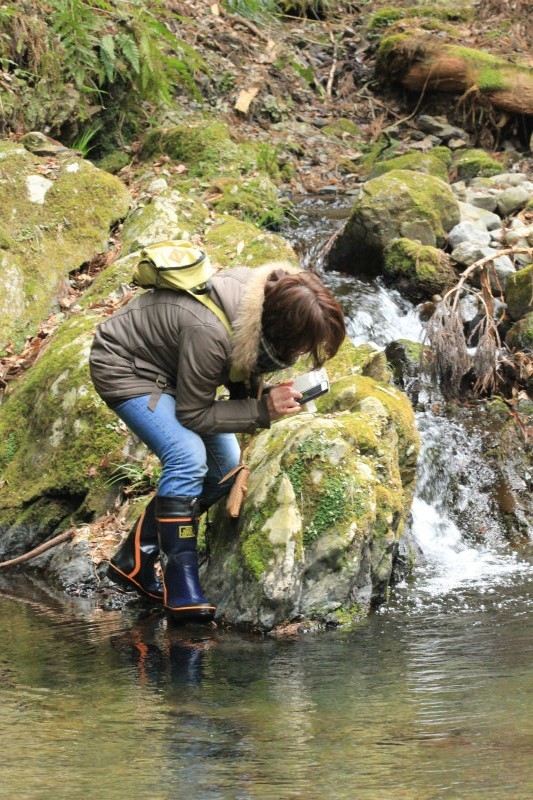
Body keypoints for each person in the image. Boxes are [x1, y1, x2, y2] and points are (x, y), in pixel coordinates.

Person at [89, 257, 346, 623]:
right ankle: (181, 587)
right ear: (281, 331)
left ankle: (135, 558)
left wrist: (266, 394)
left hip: (175, 373)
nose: (302, 354)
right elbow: (193, 414)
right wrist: (262, 411)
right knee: (188, 456)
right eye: (302, 346)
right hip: (126, 367)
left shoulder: (262, 301)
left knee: (224, 468)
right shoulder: (208, 329)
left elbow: (235, 367)